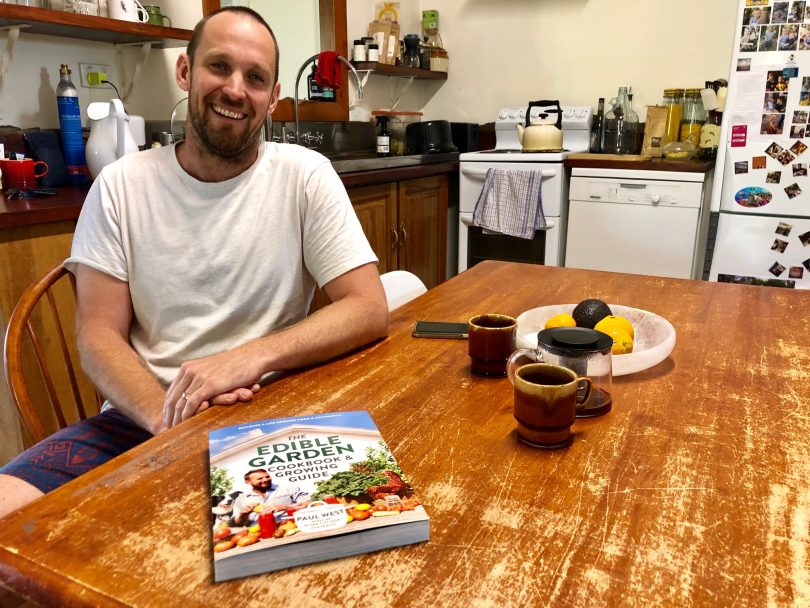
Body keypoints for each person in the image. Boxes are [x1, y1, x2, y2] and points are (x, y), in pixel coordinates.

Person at [0, 7, 389, 519]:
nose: (234, 89)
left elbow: (368, 307)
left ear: (272, 97)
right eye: (219, 67)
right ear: (185, 71)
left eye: (255, 78)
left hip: (275, 415)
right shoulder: (119, 186)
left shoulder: (305, 176)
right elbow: (98, 337)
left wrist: (246, 359)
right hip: (144, 416)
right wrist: (168, 418)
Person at [231, 469, 308, 527]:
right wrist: (243, 515)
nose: (265, 479)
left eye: (267, 476)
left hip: (289, 526)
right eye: (260, 478)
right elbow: (240, 524)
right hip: (259, 534)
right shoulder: (241, 499)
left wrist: (285, 507)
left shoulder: (288, 489)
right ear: (248, 482)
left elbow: (308, 503)